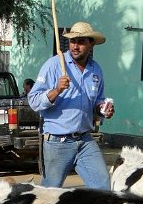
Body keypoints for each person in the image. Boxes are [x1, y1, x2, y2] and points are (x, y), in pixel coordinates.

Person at [28, 22, 115, 190]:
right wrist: (57, 90)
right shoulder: (54, 65)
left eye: (81, 42)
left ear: (91, 44)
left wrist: (104, 109)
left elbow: (97, 102)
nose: (75, 46)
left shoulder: (96, 70)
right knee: (49, 194)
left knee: (103, 187)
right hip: (57, 142)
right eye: (72, 41)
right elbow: (34, 101)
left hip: (84, 140)